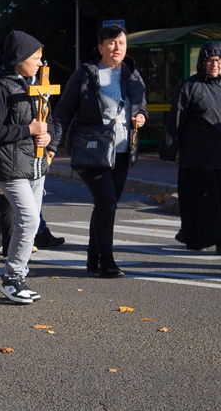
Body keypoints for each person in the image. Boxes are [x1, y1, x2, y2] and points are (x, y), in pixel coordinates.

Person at [50, 24, 147, 278]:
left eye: (122, 43)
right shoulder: (85, 74)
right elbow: (63, 111)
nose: (118, 48)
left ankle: (93, 258)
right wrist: (51, 146)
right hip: (91, 149)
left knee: (105, 205)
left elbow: (141, 106)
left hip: (123, 150)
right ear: (101, 47)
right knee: (107, 202)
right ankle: (107, 260)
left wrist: (142, 117)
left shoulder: (132, 74)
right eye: (112, 43)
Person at [159, 40, 221, 255]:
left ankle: (193, 235)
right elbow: (176, 120)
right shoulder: (190, 87)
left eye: (218, 61)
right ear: (202, 62)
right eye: (209, 60)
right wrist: (169, 150)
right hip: (198, 157)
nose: (214, 65)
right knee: (206, 202)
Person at [0, 31, 53, 304]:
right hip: (10, 167)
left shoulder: (30, 85)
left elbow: (44, 122)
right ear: (19, 59)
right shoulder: (0, 88)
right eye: (35, 57)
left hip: (33, 164)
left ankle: (19, 277)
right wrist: (28, 129)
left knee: (31, 222)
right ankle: (12, 279)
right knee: (30, 219)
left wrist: (45, 137)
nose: (40, 62)